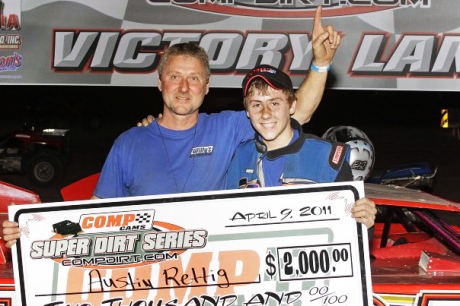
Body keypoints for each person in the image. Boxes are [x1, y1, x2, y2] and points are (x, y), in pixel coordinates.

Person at [3, 6, 341, 246]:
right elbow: (94, 215)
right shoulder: (130, 142)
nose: (183, 88)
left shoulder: (228, 128)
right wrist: (35, 228)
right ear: (160, 83)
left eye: (194, 79)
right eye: (175, 77)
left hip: (215, 275)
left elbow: (296, 113)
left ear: (207, 87)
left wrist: (321, 65)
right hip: (148, 279)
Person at [227, 64, 376, 228]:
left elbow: (349, 236)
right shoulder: (239, 157)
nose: (266, 113)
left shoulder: (328, 158)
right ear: (247, 111)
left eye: (274, 103)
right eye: (256, 104)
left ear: (291, 106)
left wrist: (365, 223)